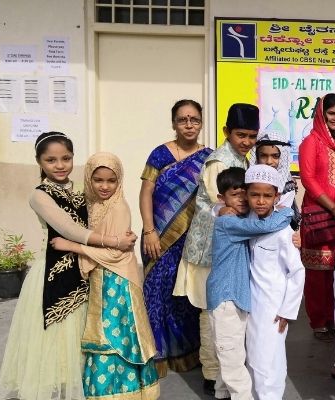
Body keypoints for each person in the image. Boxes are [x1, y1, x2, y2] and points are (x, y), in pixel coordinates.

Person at [0, 132, 136, 400]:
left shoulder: (82, 190)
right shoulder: (39, 195)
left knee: (79, 339)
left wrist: (123, 230)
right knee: (56, 339)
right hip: (53, 272)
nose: (60, 165)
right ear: (39, 161)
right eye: (51, 160)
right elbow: (71, 230)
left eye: (66, 158)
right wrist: (115, 241)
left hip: (85, 268)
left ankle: (80, 390)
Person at [51, 152, 160, 399]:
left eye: (111, 181)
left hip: (118, 280)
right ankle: (103, 390)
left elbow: (114, 253)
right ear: (89, 179)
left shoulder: (118, 207)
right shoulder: (93, 205)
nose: (104, 186)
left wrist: (72, 246)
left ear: (119, 181)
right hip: (101, 278)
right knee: (105, 332)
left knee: (115, 335)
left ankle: (121, 391)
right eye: (98, 180)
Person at [177, 103, 260, 393]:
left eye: (252, 136)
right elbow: (221, 205)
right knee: (209, 312)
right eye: (241, 135)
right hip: (209, 250)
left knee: (224, 315)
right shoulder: (219, 162)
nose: (247, 141)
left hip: (228, 250)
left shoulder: (242, 160)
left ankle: (222, 375)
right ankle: (212, 374)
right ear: (226, 132)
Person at [206, 167, 294, 400]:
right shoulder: (229, 221)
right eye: (234, 195)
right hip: (226, 299)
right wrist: (287, 212)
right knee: (233, 361)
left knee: (230, 354)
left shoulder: (238, 217)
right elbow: (264, 226)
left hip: (237, 298)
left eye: (244, 194)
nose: (242, 200)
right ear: (222, 198)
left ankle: (221, 394)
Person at [140, 99, 212, 375]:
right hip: (157, 237)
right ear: (174, 124)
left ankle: (186, 354)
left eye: (194, 119)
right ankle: (156, 356)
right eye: (183, 120)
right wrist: (149, 230)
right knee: (156, 294)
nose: (189, 125)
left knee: (185, 296)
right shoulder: (159, 154)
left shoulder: (209, 158)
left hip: (191, 239)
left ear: (201, 123)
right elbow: (146, 193)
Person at [243, 165, 306, 400]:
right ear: (246, 194)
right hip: (249, 303)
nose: (260, 201)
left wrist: (287, 311)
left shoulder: (282, 230)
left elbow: (297, 271)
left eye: (267, 195)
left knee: (268, 360)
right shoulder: (245, 222)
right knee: (252, 357)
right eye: (255, 194)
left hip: (273, 309)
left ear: (276, 197)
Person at [299, 93, 335, 341]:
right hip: (320, 214)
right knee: (317, 273)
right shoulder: (311, 142)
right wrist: (332, 206)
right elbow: (308, 179)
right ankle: (319, 321)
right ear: (321, 115)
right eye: (331, 113)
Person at [249, 132, 300, 229]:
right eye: (263, 156)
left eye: (275, 156)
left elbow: (278, 214)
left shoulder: (287, 184)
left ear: (283, 156)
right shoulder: (249, 178)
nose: (269, 161)